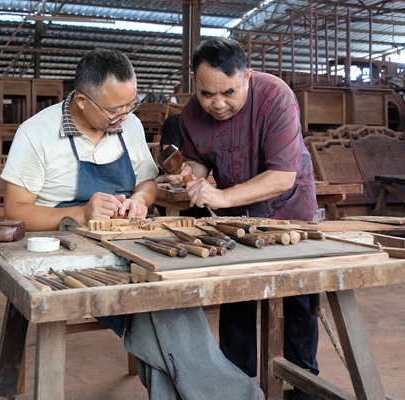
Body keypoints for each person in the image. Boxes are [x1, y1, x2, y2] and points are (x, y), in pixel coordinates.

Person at [0, 47, 263, 400]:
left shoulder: (130, 126)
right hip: (70, 250)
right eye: (114, 109)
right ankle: (237, 395)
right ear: (81, 101)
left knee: (171, 291)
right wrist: (79, 214)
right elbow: (15, 210)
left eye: (130, 105)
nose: (124, 115)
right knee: (162, 305)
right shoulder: (37, 133)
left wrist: (140, 200)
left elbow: (147, 182)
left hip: (132, 237)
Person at [166, 38, 320, 400]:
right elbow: (200, 161)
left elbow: (283, 176)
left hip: (288, 210)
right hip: (236, 214)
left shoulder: (276, 97)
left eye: (229, 92)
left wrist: (219, 196)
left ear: (247, 76)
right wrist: (189, 174)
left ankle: (302, 384)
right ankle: (235, 383)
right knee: (236, 295)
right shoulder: (190, 113)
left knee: (296, 296)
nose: (217, 104)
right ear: (193, 81)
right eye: (206, 94)